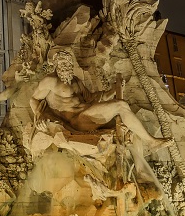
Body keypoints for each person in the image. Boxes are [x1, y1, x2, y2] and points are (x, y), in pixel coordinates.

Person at [29, 49, 169, 150]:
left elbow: (93, 98)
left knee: (124, 119)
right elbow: (34, 99)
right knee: (121, 106)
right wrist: (40, 115)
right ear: (56, 65)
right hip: (77, 121)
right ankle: (150, 141)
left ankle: (144, 146)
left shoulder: (76, 80)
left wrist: (114, 89)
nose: (66, 66)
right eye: (62, 63)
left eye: (68, 63)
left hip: (87, 113)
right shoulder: (50, 81)